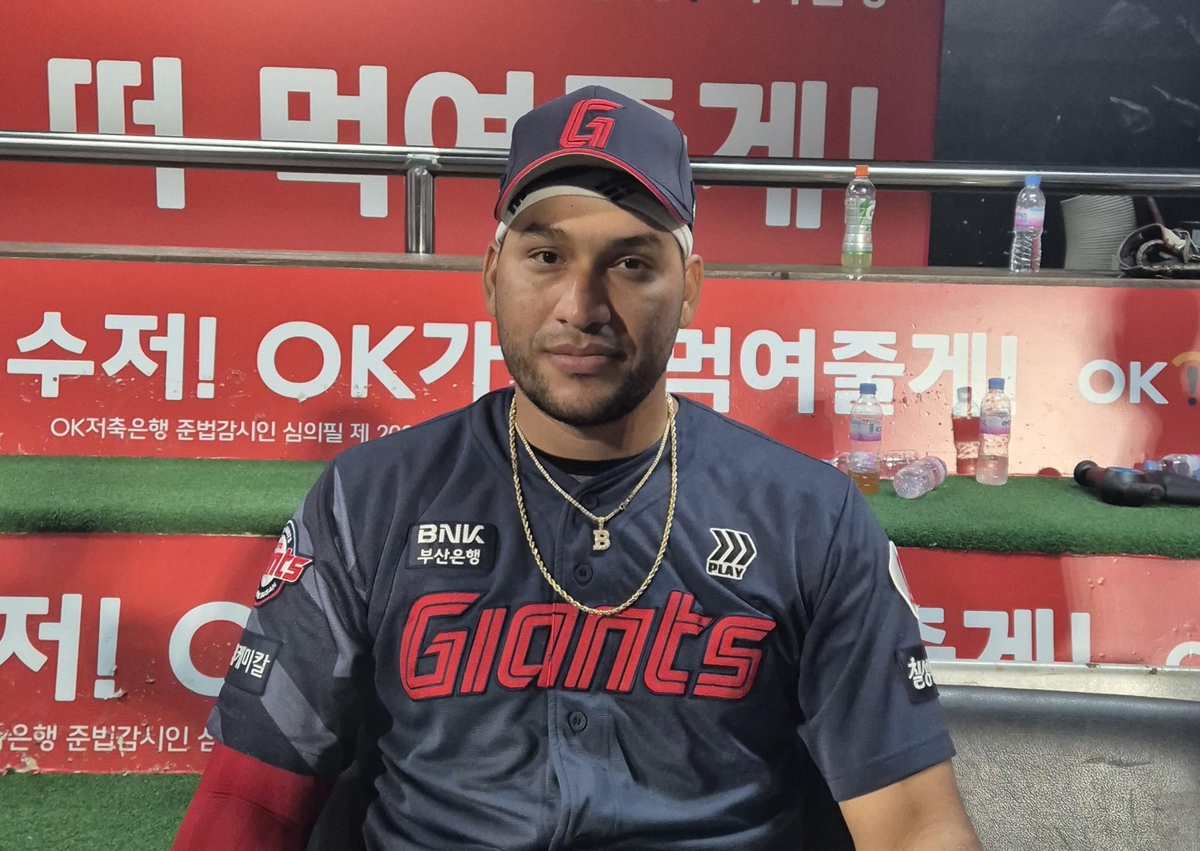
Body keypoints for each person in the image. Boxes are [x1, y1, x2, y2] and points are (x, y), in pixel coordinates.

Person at [173, 86, 982, 851]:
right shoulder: (370, 498)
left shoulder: (810, 516)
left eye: (631, 264)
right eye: (546, 255)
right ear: (492, 274)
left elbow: (915, 826)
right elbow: (249, 798)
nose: (581, 306)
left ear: (690, 289)